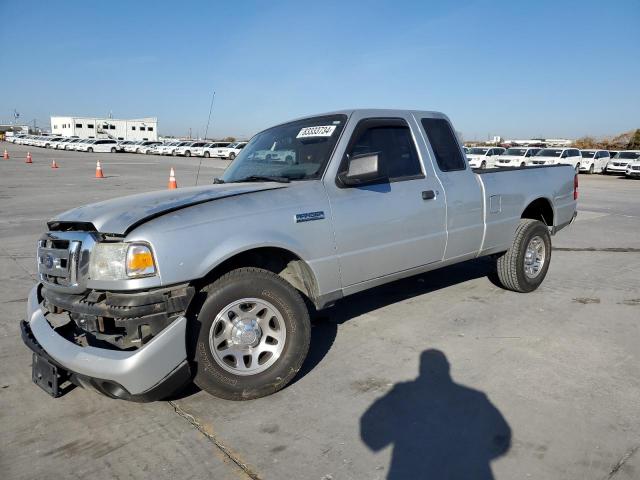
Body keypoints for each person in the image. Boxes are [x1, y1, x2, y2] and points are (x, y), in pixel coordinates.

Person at [361, 349, 511, 479]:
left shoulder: (403, 393)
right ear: (447, 367)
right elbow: (501, 435)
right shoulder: (475, 398)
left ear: (421, 369)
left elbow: (370, 429)